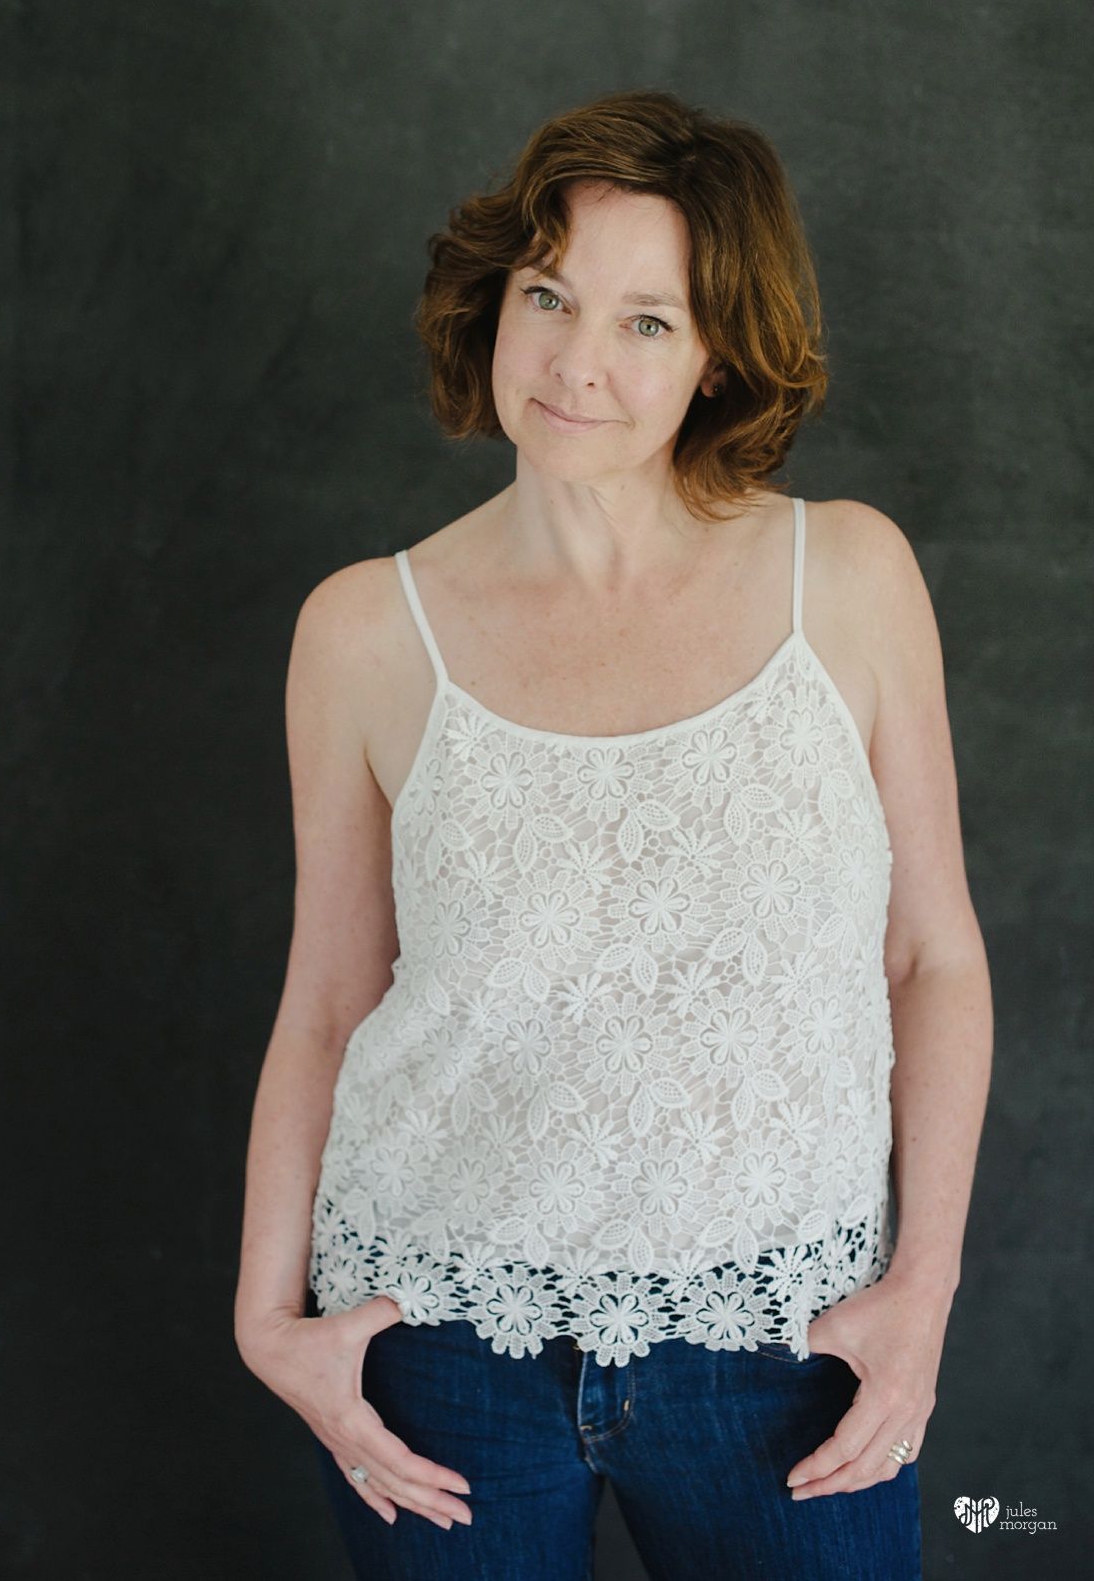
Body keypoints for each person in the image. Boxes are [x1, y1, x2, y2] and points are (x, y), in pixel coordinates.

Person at [234, 90, 993, 1580]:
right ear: (494, 304)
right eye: (549, 296)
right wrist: (270, 1319)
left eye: (649, 321)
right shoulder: (364, 630)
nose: (578, 361)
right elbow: (328, 998)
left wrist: (926, 1287)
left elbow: (932, 954)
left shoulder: (847, 578)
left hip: (784, 1343)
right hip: (436, 1341)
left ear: (721, 355)